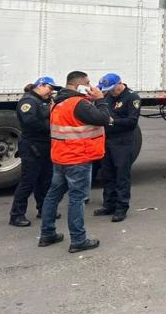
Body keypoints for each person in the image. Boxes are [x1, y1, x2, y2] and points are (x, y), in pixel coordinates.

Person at [38, 71, 111, 253]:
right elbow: (103, 119)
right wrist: (100, 99)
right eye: (87, 83)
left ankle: (47, 234)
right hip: (78, 158)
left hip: (60, 157)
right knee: (77, 199)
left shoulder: (58, 103)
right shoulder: (79, 104)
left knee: (53, 195)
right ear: (78, 85)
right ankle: (78, 239)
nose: (90, 86)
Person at [9, 77, 60, 227]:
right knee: (28, 181)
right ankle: (16, 215)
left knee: (45, 179)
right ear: (41, 85)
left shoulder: (42, 101)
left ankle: (43, 209)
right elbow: (30, 122)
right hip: (32, 146)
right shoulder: (28, 101)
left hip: (44, 145)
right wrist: (50, 126)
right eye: (50, 89)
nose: (51, 93)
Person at [93, 73, 141, 222]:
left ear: (120, 84)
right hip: (106, 140)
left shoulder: (132, 97)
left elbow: (132, 121)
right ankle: (109, 204)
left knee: (122, 175)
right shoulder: (107, 96)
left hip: (122, 141)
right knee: (107, 174)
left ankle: (121, 207)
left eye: (112, 89)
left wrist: (113, 122)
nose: (111, 92)